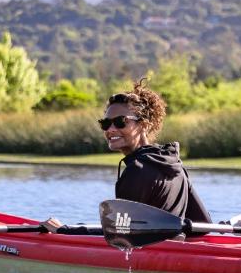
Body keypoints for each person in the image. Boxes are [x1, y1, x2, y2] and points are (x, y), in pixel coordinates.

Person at [44, 79, 212, 232]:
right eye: (105, 123)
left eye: (120, 122)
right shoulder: (176, 166)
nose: (110, 129)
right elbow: (204, 225)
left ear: (144, 125)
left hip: (146, 259)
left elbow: (120, 235)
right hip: (173, 253)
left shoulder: (137, 171)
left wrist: (63, 231)